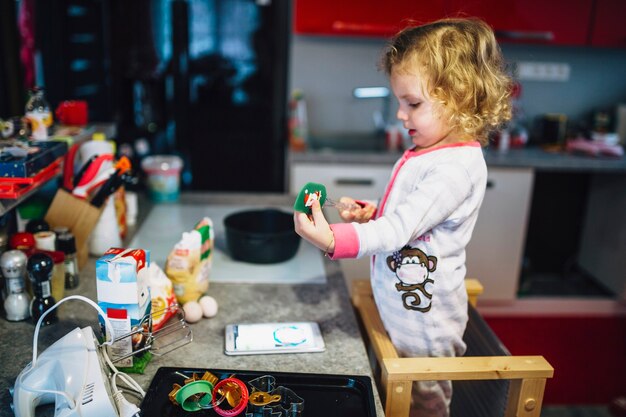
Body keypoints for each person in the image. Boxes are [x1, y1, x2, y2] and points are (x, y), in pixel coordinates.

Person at [294, 18, 512, 417]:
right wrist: (372, 212)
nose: (400, 114)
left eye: (412, 103)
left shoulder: (455, 167)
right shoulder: (428, 152)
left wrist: (333, 240)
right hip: (402, 312)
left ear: (460, 99)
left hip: (425, 327)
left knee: (424, 408)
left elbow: (399, 230)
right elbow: (412, 217)